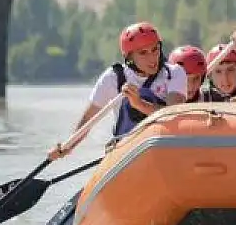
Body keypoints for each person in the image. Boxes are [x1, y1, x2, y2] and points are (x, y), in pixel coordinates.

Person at [48, 22, 187, 160]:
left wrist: (139, 104)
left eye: (155, 49)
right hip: (126, 154)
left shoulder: (174, 73)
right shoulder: (113, 78)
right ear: (130, 58)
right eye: (143, 53)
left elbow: (173, 115)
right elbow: (87, 120)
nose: (152, 58)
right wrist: (66, 147)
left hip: (164, 150)